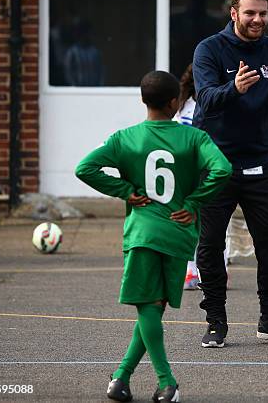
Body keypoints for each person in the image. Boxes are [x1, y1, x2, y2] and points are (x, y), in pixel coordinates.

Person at [75, 71, 232, 402]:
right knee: (153, 307)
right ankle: (140, 379)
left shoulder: (125, 138)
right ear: (175, 103)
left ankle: (150, 381)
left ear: (143, 100)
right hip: (177, 233)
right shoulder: (194, 138)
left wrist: (125, 191)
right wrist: (194, 201)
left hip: (143, 232)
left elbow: (84, 168)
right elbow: (223, 169)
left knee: (149, 307)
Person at [192, 0, 268, 348]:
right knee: (211, 245)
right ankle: (215, 322)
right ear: (234, 13)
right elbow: (206, 99)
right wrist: (235, 89)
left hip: (259, 162)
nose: (258, 19)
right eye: (250, 13)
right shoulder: (209, 49)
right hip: (214, 163)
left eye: (262, 13)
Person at [174, 63, 231, 291]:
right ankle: (193, 271)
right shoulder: (184, 108)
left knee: (213, 224)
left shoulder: (218, 106)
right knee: (198, 223)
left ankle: (214, 272)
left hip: (207, 171)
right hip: (193, 171)